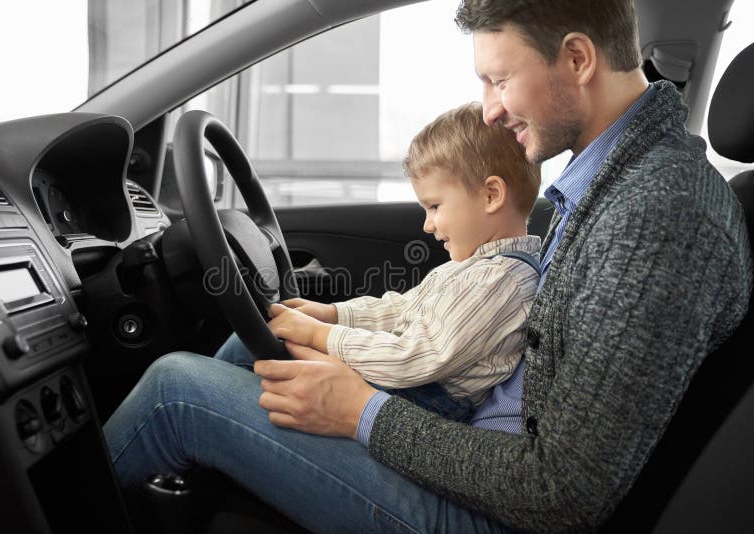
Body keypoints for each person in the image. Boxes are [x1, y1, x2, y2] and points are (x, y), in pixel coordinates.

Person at [103, 0, 753, 531]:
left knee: (174, 390)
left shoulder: (658, 214)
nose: (491, 108)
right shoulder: (622, 184)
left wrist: (360, 411)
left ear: (578, 58)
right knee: (258, 348)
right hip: (479, 462)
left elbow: (562, 493)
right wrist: (336, 331)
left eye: (499, 79)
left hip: (485, 516)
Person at [216, 102, 542, 422]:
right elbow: (400, 310)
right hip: (402, 383)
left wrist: (319, 335)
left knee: (262, 348)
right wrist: (333, 314)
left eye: (435, 207)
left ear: (490, 196)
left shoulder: (501, 282)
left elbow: (415, 357)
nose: (427, 225)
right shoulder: (475, 268)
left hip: (418, 401)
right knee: (256, 341)